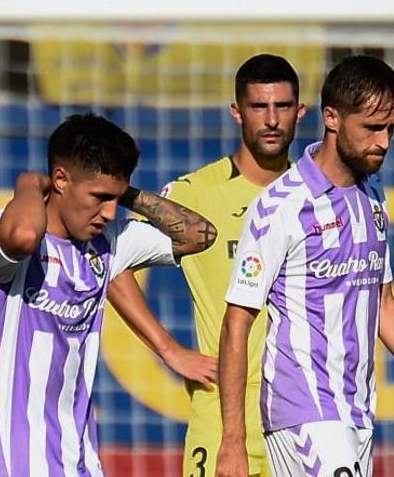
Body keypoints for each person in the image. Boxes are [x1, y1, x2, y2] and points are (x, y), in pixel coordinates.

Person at [216, 55, 394, 477]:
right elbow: (237, 322)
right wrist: (233, 442)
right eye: (372, 128)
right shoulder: (280, 206)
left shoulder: (372, 192)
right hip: (303, 409)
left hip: (357, 409)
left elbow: (383, 305)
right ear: (332, 117)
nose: (384, 142)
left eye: (391, 129)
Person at [0, 112, 216, 476]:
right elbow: (22, 235)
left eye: (115, 199)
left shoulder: (108, 243)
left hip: (78, 459)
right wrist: (30, 185)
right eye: (99, 197)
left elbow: (200, 235)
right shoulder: (0, 239)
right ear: (61, 179)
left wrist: (122, 192)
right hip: (8, 460)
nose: (108, 212)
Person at [110, 53, 306, 477]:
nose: (271, 119)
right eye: (258, 107)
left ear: (300, 111)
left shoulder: (315, 194)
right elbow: (110, 258)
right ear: (237, 112)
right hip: (223, 413)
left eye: (282, 106)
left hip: (303, 411)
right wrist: (169, 349)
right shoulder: (195, 194)